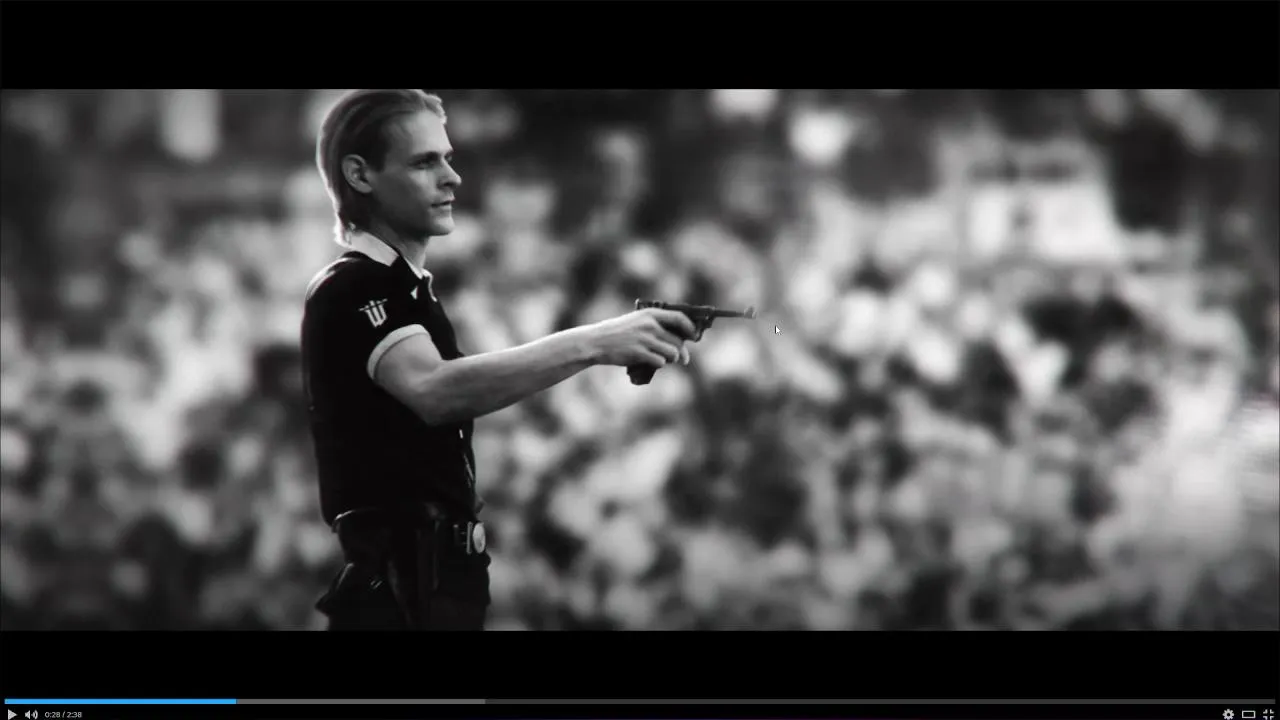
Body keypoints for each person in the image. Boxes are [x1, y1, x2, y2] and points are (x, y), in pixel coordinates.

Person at [301, 89, 698, 630]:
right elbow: (436, 391)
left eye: (448, 159)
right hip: (400, 584)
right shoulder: (352, 286)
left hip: (448, 575)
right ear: (360, 175)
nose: (451, 178)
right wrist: (595, 342)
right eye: (423, 163)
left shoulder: (416, 292)